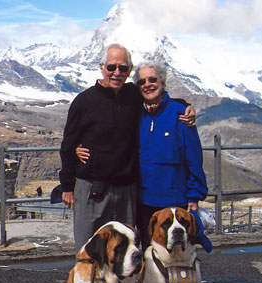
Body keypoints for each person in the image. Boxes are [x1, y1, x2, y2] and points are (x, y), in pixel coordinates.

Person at [60, 43, 195, 253]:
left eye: (123, 68)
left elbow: (157, 95)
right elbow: (68, 145)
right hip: (93, 189)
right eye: (112, 67)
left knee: (125, 251)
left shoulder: (133, 94)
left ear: (129, 70)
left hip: (126, 191)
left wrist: (184, 105)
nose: (117, 73)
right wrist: (67, 186)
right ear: (101, 67)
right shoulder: (83, 102)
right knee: (89, 251)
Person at [133, 61, 208, 250]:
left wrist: (194, 197)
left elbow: (193, 158)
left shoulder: (181, 113)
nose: (147, 84)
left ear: (162, 82)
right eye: (142, 82)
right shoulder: (134, 115)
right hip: (143, 202)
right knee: (149, 253)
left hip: (175, 202)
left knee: (179, 254)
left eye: (152, 79)